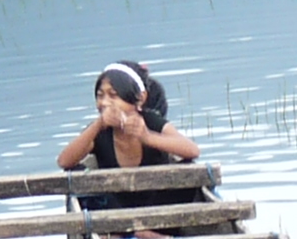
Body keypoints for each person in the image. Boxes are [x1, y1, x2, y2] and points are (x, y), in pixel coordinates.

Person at [55, 60, 202, 211]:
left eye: (113, 96)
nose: (104, 103)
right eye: (100, 96)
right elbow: (64, 161)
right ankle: (127, 226)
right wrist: (98, 125)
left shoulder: (151, 122)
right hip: (114, 210)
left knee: (188, 169)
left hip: (158, 206)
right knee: (77, 173)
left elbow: (192, 151)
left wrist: (147, 137)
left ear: (139, 99)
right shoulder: (99, 130)